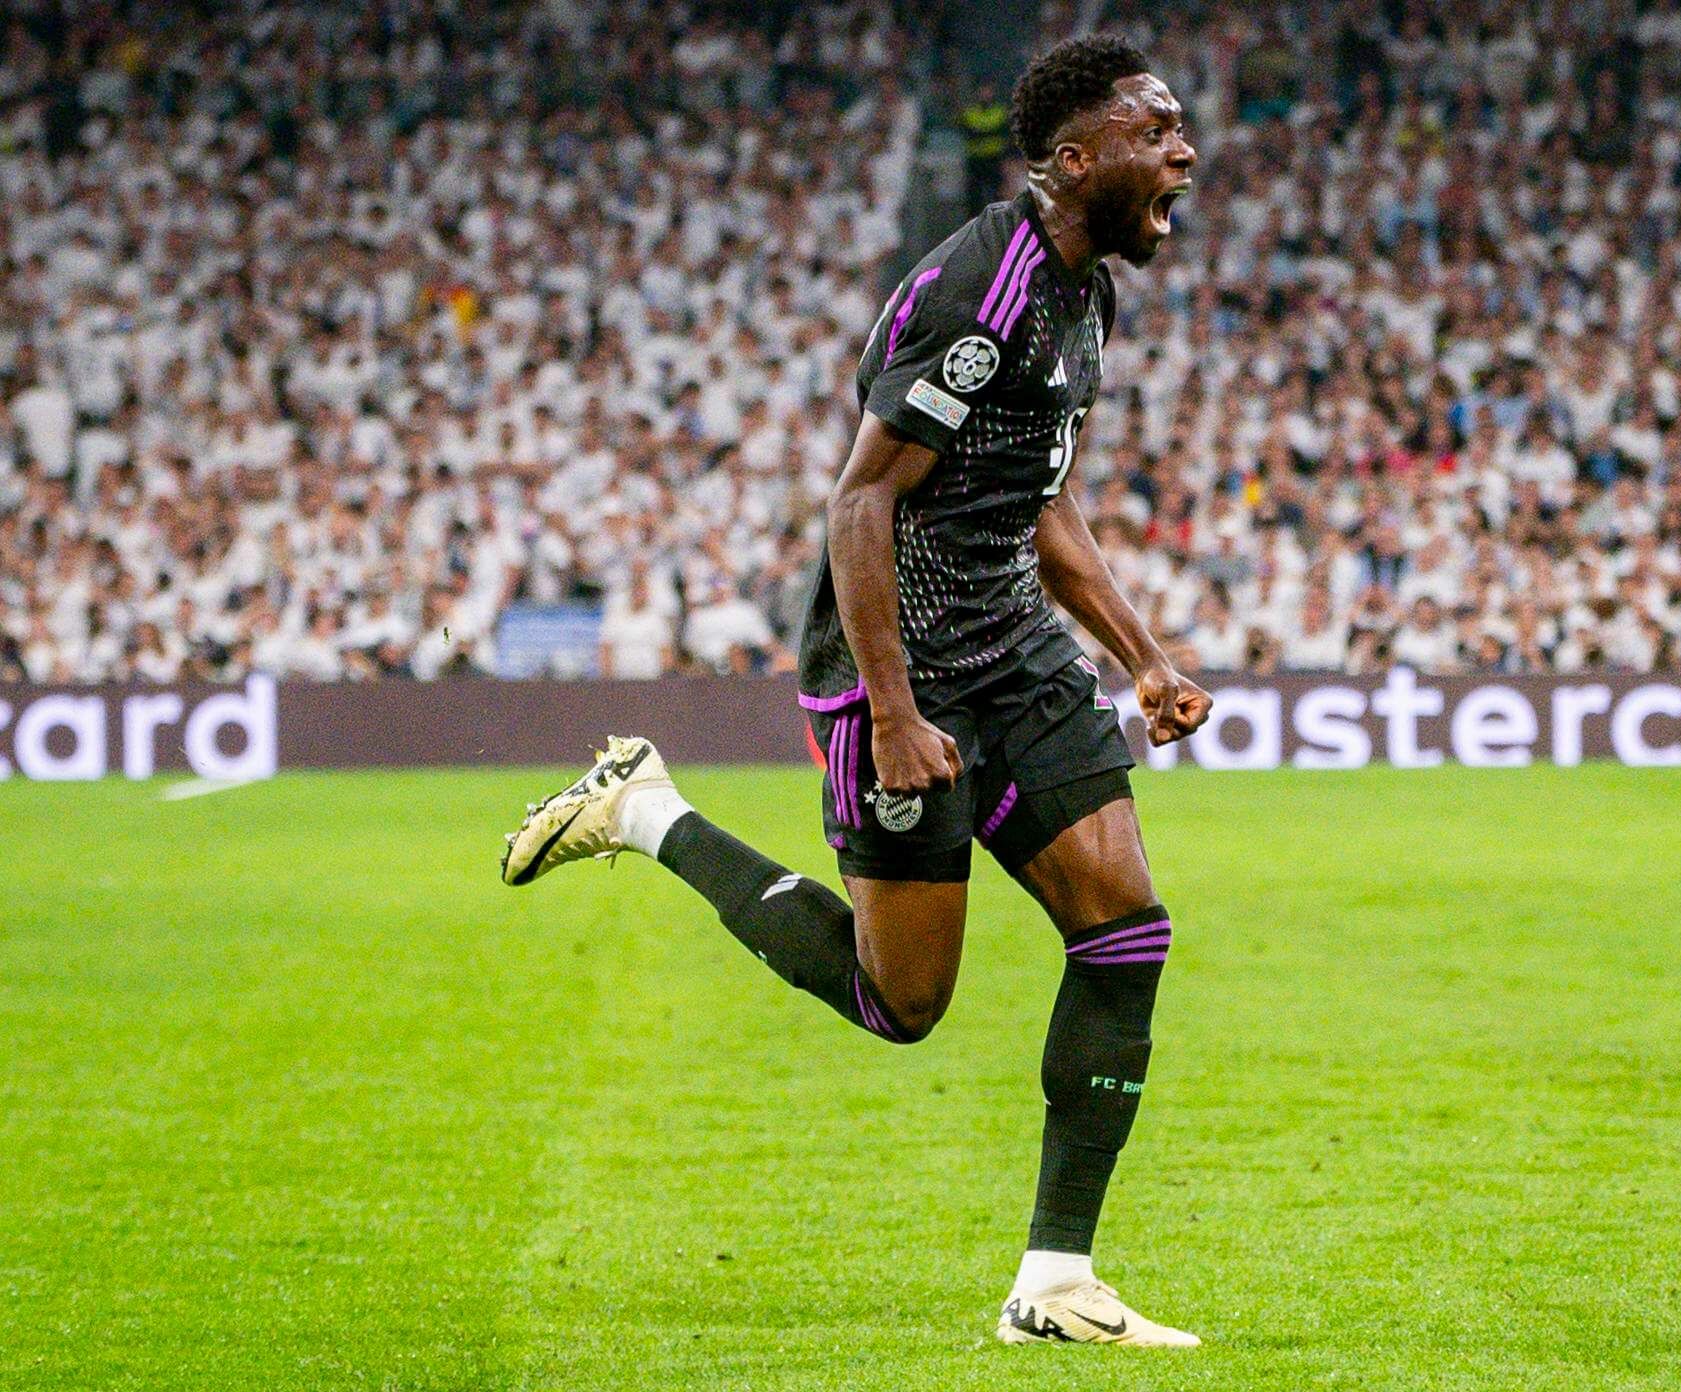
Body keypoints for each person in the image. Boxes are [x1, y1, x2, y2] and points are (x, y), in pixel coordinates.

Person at [500, 36, 1212, 1348]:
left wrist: (1144, 657)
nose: (1184, 152)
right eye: (1156, 132)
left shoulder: (1086, 297)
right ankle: (647, 812)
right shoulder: (979, 293)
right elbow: (859, 502)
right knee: (903, 1004)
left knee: (1126, 931)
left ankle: (1057, 1283)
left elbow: (1043, 500)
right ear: (1074, 159)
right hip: (902, 673)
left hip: (1016, 652)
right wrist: (892, 713)